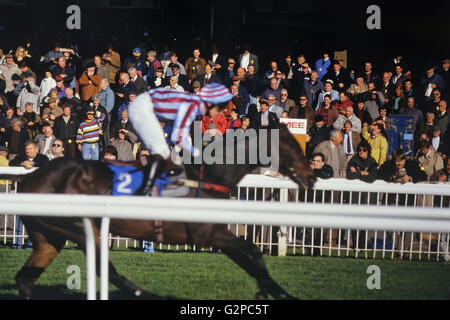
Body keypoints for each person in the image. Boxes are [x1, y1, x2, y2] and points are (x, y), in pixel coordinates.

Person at [128, 83, 233, 195]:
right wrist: (197, 153)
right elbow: (179, 138)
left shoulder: (195, 104)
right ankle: (144, 191)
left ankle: (152, 185)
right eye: (220, 108)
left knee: (164, 152)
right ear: (210, 103)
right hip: (142, 107)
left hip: (147, 105)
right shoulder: (193, 106)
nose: (220, 112)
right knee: (161, 150)